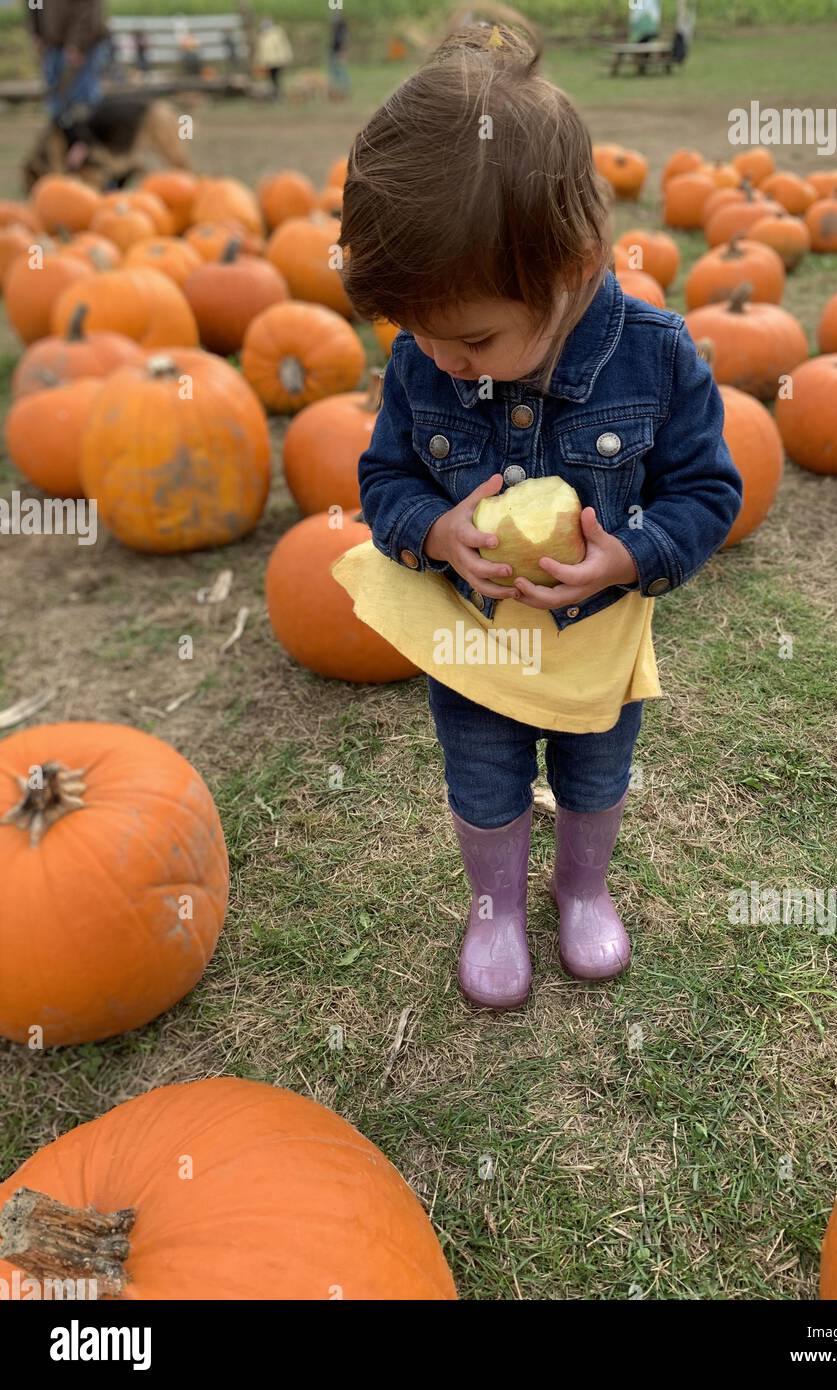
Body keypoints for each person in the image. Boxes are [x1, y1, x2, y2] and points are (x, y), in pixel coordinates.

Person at [333, 21, 743, 1010]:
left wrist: (631, 555)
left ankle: (583, 886)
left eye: (470, 336)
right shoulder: (428, 362)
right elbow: (382, 479)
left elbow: (709, 492)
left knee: (598, 770)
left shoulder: (657, 355)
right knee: (481, 775)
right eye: (414, 335)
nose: (440, 360)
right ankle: (496, 910)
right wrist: (429, 531)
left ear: (574, 264)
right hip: (476, 646)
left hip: (598, 639)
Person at [26, 0, 111, 170]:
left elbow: (89, 6)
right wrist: (36, 31)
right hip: (52, 45)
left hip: (82, 46)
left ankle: (95, 166)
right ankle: (63, 166)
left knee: (84, 109)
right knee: (58, 111)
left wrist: (78, 43)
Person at [255, 16, 293, 100]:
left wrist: (287, 57)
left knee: (277, 78)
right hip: (268, 62)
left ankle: (279, 95)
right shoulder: (262, 35)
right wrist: (259, 61)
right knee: (271, 79)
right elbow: (261, 50)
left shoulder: (277, 33)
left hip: (278, 60)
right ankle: (274, 95)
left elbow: (284, 46)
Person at [328, 15, 350, 101]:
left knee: (341, 72)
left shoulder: (341, 27)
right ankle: (335, 93)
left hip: (338, 52)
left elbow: (343, 40)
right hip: (334, 52)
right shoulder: (336, 26)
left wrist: (343, 51)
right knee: (334, 73)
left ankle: (343, 92)